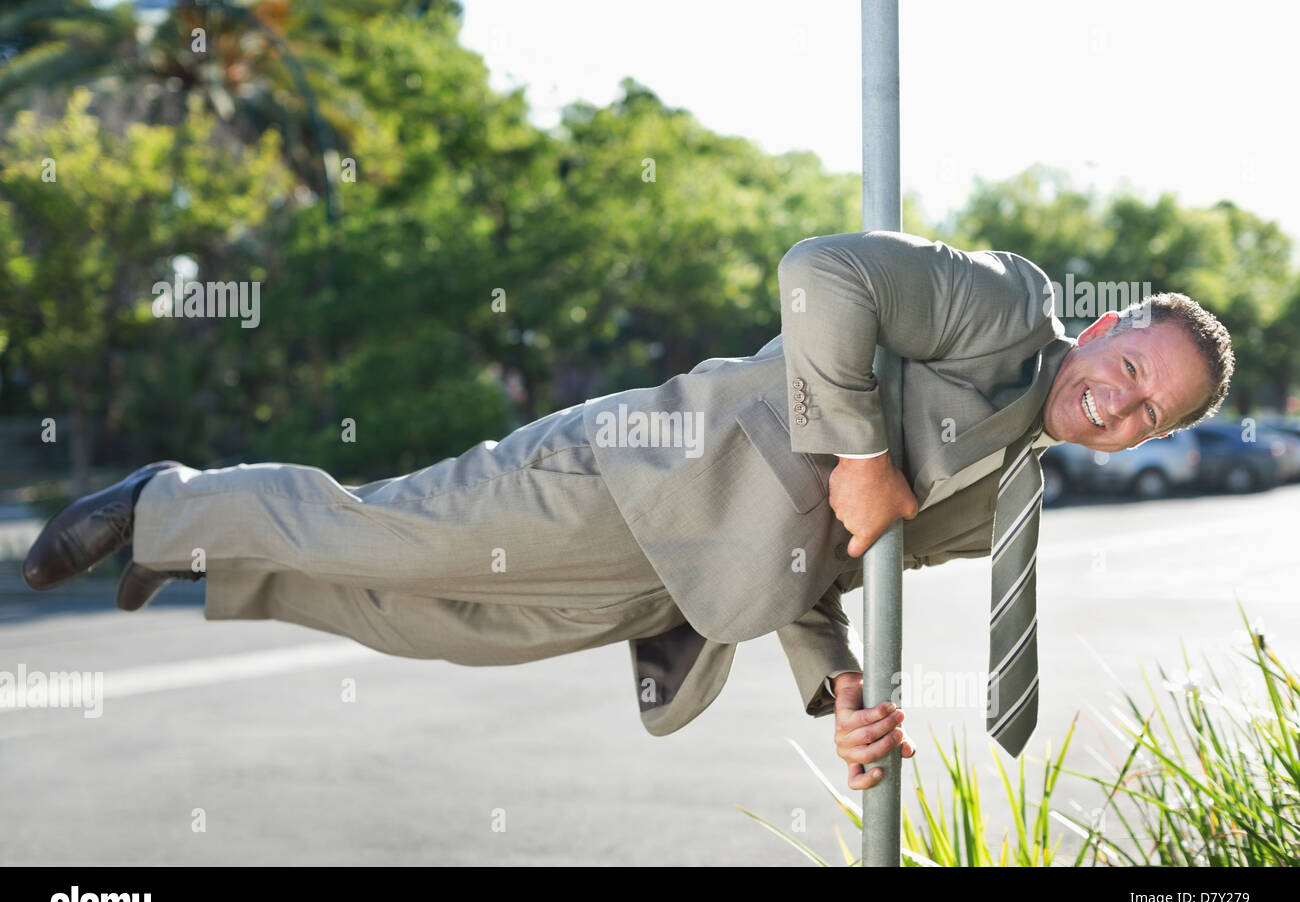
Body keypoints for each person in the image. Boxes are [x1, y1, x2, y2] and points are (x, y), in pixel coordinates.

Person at [22, 230, 1235, 791]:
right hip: (643, 473)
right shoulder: (1003, 308)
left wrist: (842, 693)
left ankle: (199, 561)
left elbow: (838, 566)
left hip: (687, 585)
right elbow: (823, 271)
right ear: (1113, 326)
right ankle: (166, 504)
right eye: (1132, 369)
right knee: (402, 533)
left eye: (1149, 415)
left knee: (430, 622)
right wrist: (862, 450)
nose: (1119, 406)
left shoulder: (1014, 496)